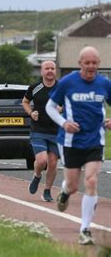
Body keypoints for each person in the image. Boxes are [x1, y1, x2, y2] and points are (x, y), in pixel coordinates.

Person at [45, 46, 111, 245]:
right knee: (73, 186)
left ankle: (85, 229)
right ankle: (65, 192)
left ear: (99, 64)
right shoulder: (68, 82)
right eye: (87, 63)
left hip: (95, 140)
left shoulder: (104, 84)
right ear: (80, 64)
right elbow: (50, 107)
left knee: (90, 181)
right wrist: (64, 123)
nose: (91, 67)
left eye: (94, 63)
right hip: (70, 141)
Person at [22, 61, 59, 202]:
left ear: (55, 71)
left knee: (53, 163)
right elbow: (25, 102)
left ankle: (47, 191)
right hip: (38, 130)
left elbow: (69, 104)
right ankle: (37, 175)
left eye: (52, 68)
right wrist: (31, 113)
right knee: (42, 160)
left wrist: (62, 109)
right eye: (47, 68)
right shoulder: (35, 87)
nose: (50, 71)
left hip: (56, 131)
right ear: (42, 71)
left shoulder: (61, 87)